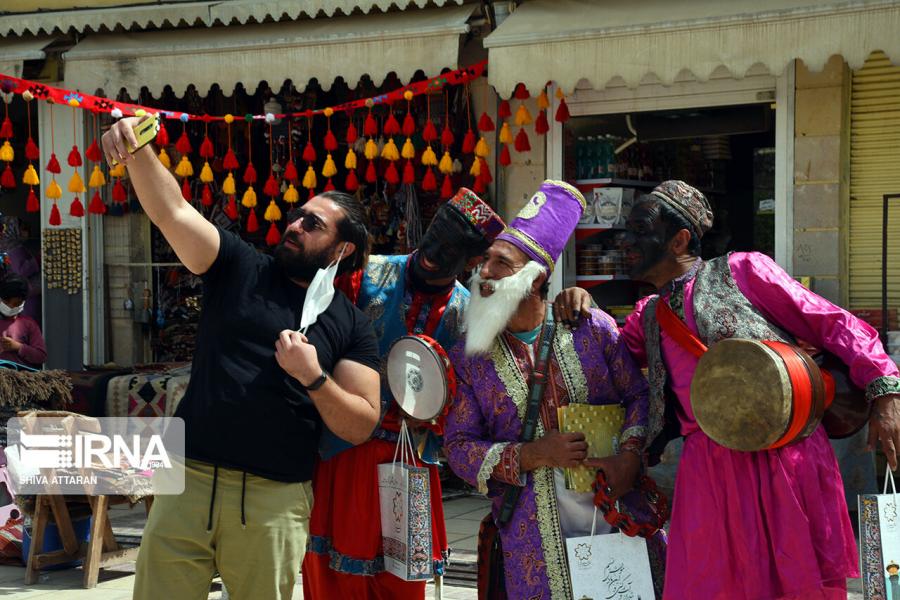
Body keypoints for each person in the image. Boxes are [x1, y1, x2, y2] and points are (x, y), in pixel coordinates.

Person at [557, 179, 900, 599]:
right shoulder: (648, 316)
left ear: (680, 240)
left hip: (782, 460)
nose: (625, 241)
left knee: (793, 587)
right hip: (707, 471)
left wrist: (886, 392)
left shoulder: (744, 271)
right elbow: (608, 356)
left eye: (640, 230)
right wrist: (583, 304)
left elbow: (833, 323)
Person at [102, 116, 382, 600]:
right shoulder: (240, 266)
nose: (295, 225)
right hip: (186, 480)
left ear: (342, 248)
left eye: (312, 224)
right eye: (297, 215)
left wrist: (313, 377)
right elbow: (173, 212)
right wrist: (137, 150)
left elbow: (361, 423)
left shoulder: (352, 324)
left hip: (273, 500)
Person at [445, 180, 666, 599]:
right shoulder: (470, 357)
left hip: (613, 509)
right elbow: (458, 446)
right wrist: (532, 454)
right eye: (486, 260)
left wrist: (630, 457)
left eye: (501, 263)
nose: (484, 273)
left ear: (535, 279)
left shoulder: (591, 328)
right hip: (531, 533)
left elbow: (639, 396)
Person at [302, 187, 505, 599]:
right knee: (333, 579)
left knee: (403, 582)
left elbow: (466, 403)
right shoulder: (363, 275)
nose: (434, 252)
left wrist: (438, 415)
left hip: (413, 459)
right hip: (343, 451)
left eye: (452, 248)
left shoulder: (470, 317)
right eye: (435, 235)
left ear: (471, 261)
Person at [0, 273, 46, 369]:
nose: (10, 306)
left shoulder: (29, 324)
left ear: (23, 302)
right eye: (6, 302)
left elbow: (41, 356)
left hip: (21, 376)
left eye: (16, 303)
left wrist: (18, 347)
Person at [0, 217, 41, 325]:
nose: (26, 232)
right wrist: (38, 259)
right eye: (23, 228)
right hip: (26, 293)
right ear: (12, 229)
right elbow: (21, 271)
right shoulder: (12, 247)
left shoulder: (7, 246)